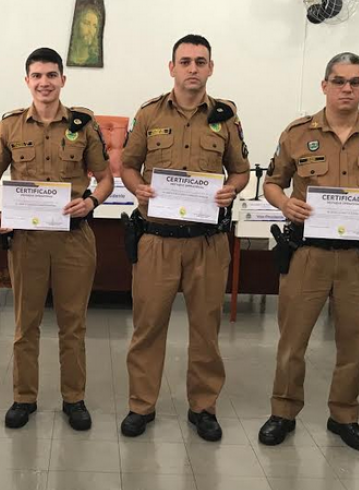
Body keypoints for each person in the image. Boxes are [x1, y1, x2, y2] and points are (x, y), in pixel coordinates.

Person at [257, 53, 359, 452]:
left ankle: (344, 416)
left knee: (353, 341)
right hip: (308, 253)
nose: (347, 89)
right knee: (292, 340)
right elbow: (273, 182)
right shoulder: (298, 133)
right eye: (339, 81)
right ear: (324, 85)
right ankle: (283, 411)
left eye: (355, 82)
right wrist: (285, 204)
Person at [118, 34, 250, 441]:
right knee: (148, 327)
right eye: (185, 61)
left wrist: (233, 189)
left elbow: (240, 170)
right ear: (171, 67)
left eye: (200, 61)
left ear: (211, 67)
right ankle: (142, 405)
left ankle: (203, 405)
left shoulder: (226, 117)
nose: (193, 68)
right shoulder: (149, 114)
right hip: (156, 239)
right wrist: (137, 187)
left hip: (208, 243)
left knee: (206, 328)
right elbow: (126, 164)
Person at [0, 47, 112, 430]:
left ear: (62, 80)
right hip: (27, 239)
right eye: (37, 76)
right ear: (27, 81)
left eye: (51, 75)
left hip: (73, 238)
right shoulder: (10, 127)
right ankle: (24, 397)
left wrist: (91, 201)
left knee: (74, 323)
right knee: (26, 322)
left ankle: (74, 398)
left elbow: (104, 178)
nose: (44, 83)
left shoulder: (84, 125)